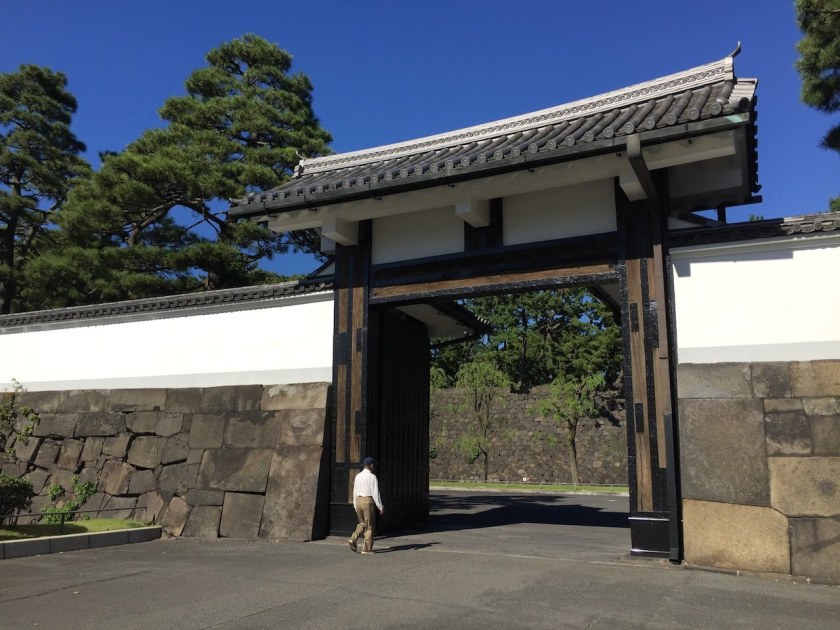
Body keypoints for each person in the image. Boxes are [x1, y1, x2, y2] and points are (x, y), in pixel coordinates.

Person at [348, 456, 384, 555]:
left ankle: (353, 538)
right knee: (369, 525)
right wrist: (380, 506)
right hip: (367, 501)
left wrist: (355, 504)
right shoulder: (372, 477)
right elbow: (375, 493)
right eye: (373, 466)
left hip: (358, 500)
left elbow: (354, 491)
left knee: (362, 523)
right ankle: (367, 549)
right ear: (371, 465)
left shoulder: (358, 476)